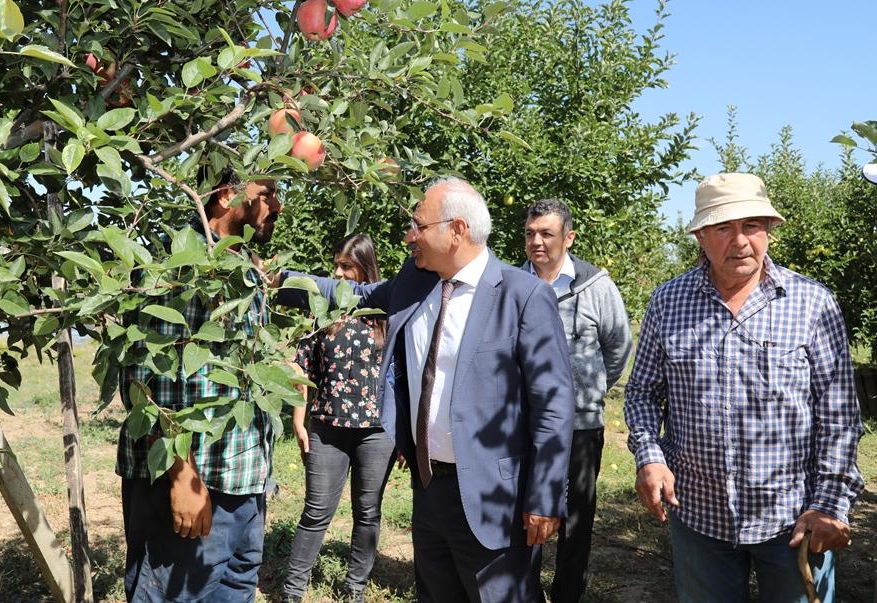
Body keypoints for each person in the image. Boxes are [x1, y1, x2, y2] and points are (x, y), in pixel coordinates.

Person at [278, 177, 575, 602]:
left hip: (494, 499)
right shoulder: (415, 284)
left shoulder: (522, 297)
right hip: (429, 486)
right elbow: (349, 294)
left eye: (418, 225)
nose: (408, 235)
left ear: (456, 230)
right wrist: (277, 279)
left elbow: (553, 407)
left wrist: (546, 497)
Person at [624, 172, 864, 602]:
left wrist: (829, 503)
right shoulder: (668, 302)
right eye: (723, 228)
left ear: (768, 230)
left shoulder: (812, 304)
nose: (740, 241)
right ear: (700, 235)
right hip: (699, 515)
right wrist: (649, 456)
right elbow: (642, 391)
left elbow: (840, 416)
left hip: (795, 519)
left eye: (751, 226)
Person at [116, 167, 284, 602]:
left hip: (241, 483)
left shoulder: (242, 266)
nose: (277, 206)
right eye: (269, 193)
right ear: (227, 196)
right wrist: (181, 475)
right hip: (195, 483)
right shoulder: (183, 262)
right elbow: (145, 378)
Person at [521, 198, 633, 603]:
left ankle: (567, 595)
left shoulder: (595, 286)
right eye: (531, 233)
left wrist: (591, 390)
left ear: (568, 238)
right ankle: (526, 591)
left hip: (581, 425)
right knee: (525, 511)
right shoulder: (514, 283)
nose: (537, 242)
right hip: (524, 425)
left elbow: (618, 345)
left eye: (547, 234)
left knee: (577, 518)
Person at [281, 234, 396, 603]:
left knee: (367, 511)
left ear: (365, 266)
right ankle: (293, 591)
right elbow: (303, 369)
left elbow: (403, 375)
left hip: (377, 432)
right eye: (336, 266)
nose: (339, 273)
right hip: (328, 428)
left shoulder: (386, 312)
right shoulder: (324, 310)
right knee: (316, 511)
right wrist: (299, 421)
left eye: (346, 266)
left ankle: (355, 589)